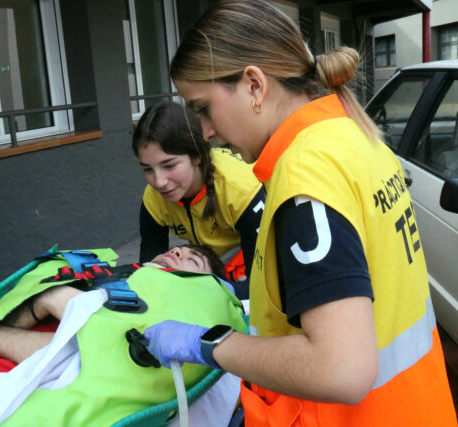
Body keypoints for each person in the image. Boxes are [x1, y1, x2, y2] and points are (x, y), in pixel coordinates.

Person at [143, 1, 456, 426]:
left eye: (203, 109)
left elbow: (341, 370)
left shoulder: (305, 173)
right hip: (416, 405)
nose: (206, 132)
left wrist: (207, 344)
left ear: (254, 85)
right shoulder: (352, 135)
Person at [0, 245, 246, 426]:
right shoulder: (110, 275)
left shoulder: (193, 308)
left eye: (193, 261)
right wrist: (44, 303)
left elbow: (102, 355)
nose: (178, 253)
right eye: (178, 249)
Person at [133, 101, 265, 287]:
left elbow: (261, 287)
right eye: (148, 169)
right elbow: (148, 273)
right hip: (211, 262)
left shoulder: (240, 191)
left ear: (197, 156)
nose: (159, 182)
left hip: (253, 257)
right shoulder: (153, 197)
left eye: (169, 165)